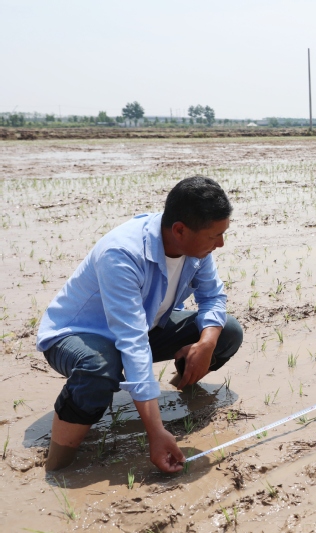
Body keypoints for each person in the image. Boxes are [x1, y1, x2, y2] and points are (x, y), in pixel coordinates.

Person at [37, 176, 243, 472]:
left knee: (226, 332)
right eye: (215, 236)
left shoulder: (195, 248)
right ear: (180, 230)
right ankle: (58, 464)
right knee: (99, 368)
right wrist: (155, 432)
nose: (220, 244)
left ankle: (180, 388)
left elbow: (212, 297)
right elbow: (132, 342)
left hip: (146, 325)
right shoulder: (121, 254)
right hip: (77, 334)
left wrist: (206, 344)